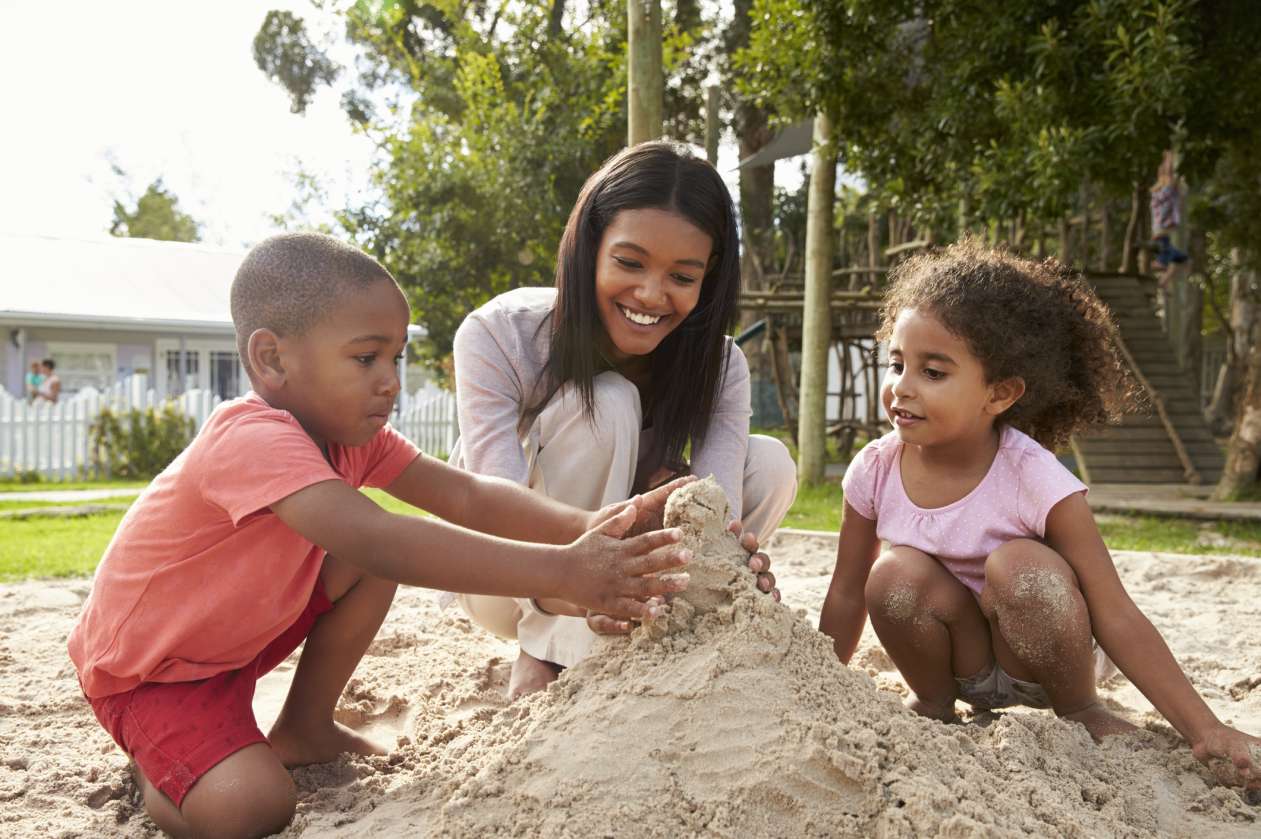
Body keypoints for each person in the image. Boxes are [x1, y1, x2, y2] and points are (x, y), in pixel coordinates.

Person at [67, 232, 694, 838]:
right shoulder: (249, 437)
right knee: (253, 806)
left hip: (228, 646)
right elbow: (378, 538)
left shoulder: (347, 438)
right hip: (153, 675)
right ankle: (163, 775)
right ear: (271, 358)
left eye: (395, 356)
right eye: (366, 357)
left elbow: (465, 494)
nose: (390, 379)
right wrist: (564, 572)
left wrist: (587, 526)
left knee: (366, 565)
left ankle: (305, 726)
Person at [821, 240, 1259, 789]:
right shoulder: (874, 470)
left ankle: (1080, 708)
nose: (901, 387)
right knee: (892, 573)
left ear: (999, 394)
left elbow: (1114, 610)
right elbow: (843, 592)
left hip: (1045, 662)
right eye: (896, 363)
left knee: (1020, 565)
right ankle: (932, 701)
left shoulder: (1034, 475)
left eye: (933, 373)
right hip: (960, 662)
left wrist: (1207, 728)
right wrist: (818, 684)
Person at [449, 141, 798, 697]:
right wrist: (565, 589)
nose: (651, 294)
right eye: (629, 263)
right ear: (589, 249)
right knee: (605, 402)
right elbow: (493, 500)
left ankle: (684, 629)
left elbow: (722, 508)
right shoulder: (500, 333)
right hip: (509, 577)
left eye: (682, 277)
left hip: (626, 579)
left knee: (771, 464)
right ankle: (544, 649)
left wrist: (732, 571)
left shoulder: (720, 364)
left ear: (709, 278)